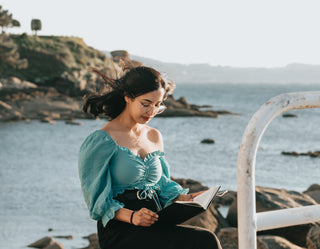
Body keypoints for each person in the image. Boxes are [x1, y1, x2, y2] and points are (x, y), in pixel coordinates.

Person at [78, 63, 221, 249]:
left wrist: (184, 199)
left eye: (158, 105)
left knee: (205, 240)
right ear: (128, 97)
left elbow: (162, 183)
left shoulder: (154, 136)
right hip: (122, 229)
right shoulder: (101, 141)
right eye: (146, 104)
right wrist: (132, 216)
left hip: (155, 222)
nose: (152, 111)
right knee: (202, 242)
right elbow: (96, 201)